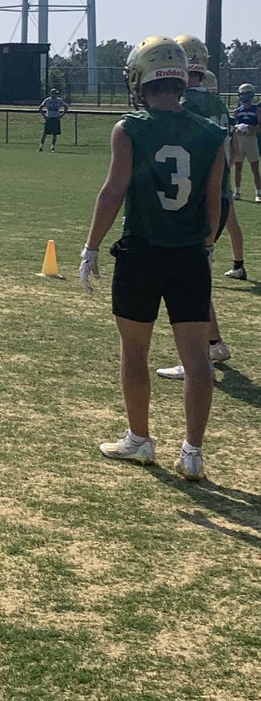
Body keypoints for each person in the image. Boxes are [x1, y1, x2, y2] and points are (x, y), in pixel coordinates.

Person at [79, 36, 226, 481]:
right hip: (190, 254)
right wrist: (206, 246)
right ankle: (193, 452)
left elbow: (113, 192)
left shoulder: (130, 128)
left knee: (135, 351)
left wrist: (91, 246)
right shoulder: (211, 133)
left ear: (140, 78)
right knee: (197, 358)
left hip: (142, 251)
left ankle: (139, 438)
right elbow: (214, 202)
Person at [156, 36, 245, 381]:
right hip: (219, 194)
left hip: (196, 198)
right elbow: (232, 150)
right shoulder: (217, 103)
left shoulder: (184, 104)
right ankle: (214, 343)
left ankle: (199, 352)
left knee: (189, 278)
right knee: (196, 273)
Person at [231, 82, 261, 202]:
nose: (243, 96)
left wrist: (249, 128)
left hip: (251, 140)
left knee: (255, 168)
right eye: (241, 94)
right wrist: (237, 128)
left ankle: (258, 193)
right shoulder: (237, 111)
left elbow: (260, 127)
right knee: (238, 168)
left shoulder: (256, 110)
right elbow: (232, 127)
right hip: (239, 140)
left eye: (245, 94)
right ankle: (237, 191)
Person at [37, 87, 68, 152]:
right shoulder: (47, 100)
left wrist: (61, 115)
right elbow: (40, 108)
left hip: (56, 118)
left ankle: (52, 148)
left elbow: (66, 107)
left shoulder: (59, 100)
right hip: (49, 118)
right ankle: (41, 147)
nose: (56, 95)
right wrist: (44, 116)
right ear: (51, 94)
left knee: (55, 134)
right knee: (45, 133)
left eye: (56, 94)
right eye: (54, 93)